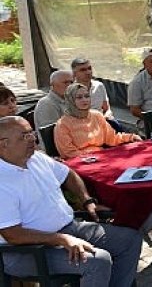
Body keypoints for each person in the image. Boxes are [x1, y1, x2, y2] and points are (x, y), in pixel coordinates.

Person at [0, 116, 142, 286]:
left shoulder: (37, 158)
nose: (32, 139)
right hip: (27, 251)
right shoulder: (3, 181)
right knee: (98, 261)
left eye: (31, 133)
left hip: (67, 228)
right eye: (24, 136)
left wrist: (87, 200)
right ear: (3, 144)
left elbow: (68, 174)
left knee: (130, 239)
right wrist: (61, 239)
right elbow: (13, 235)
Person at [55, 83, 141, 159]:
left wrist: (131, 137)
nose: (84, 100)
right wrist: (91, 157)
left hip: (101, 157)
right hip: (80, 162)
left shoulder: (96, 115)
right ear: (71, 101)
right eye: (79, 97)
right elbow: (68, 153)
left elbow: (112, 138)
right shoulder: (63, 124)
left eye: (87, 96)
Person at [71, 58, 116, 126]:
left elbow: (107, 109)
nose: (88, 72)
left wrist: (106, 117)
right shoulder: (70, 91)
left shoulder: (99, 86)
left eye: (89, 68)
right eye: (82, 70)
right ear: (74, 74)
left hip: (103, 122)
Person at [33, 70, 74, 140]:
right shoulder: (46, 104)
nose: (69, 85)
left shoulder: (71, 100)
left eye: (71, 82)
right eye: (65, 82)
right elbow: (51, 135)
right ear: (52, 85)